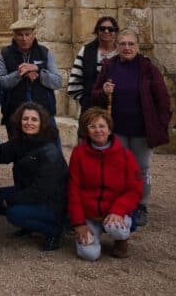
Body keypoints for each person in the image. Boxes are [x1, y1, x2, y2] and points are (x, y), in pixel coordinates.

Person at [91, 28, 170, 226]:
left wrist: (160, 126)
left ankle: (141, 205)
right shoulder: (109, 67)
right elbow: (95, 94)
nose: (127, 47)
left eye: (131, 44)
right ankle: (121, 204)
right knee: (118, 169)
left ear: (137, 46)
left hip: (142, 130)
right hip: (117, 129)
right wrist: (103, 91)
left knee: (141, 169)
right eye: (123, 44)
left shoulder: (148, 68)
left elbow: (162, 101)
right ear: (116, 46)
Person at [0, 102, 68, 251]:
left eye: (34, 119)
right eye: (25, 119)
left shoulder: (50, 150)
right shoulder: (20, 141)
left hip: (51, 202)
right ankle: (29, 224)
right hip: (28, 191)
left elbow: (42, 190)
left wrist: (12, 200)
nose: (29, 123)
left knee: (14, 213)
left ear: (42, 123)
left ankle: (54, 230)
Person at [68, 107, 142, 260]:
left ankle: (121, 239)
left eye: (102, 126)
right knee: (90, 255)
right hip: (89, 214)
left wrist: (118, 210)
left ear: (109, 130)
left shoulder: (125, 155)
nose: (98, 130)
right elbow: (73, 189)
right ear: (87, 130)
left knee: (117, 229)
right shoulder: (78, 154)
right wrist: (79, 223)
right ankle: (94, 235)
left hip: (113, 212)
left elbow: (134, 189)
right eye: (92, 126)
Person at [0, 20, 62, 137]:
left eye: (27, 34)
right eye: (20, 35)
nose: (24, 38)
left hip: (44, 111)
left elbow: (57, 82)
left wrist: (38, 70)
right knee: (18, 152)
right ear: (14, 36)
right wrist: (20, 73)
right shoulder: (5, 53)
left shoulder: (45, 52)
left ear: (33, 34)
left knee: (50, 150)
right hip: (14, 112)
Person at [67, 15, 119, 112]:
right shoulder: (86, 51)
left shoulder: (121, 52)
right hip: (91, 108)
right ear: (97, 31)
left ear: (115, 32)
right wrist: (86, 101)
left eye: (111, 29)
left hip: (118, 107)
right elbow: (75, 80)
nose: (106, 31)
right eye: (102, 29)